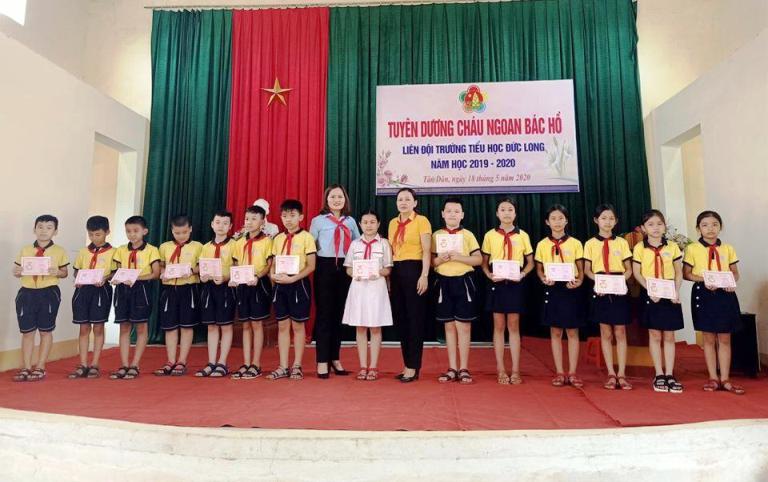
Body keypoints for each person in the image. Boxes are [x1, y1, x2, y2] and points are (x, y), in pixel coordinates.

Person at [683, 210, 744, 395]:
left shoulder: (728, 248)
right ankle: (713, 378)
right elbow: (687, 274)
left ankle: (725, 378)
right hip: (704, 294)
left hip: (725, 294)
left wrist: (731, 282)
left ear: (720, 227)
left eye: (715, 224)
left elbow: (735, 272)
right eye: (705, 225)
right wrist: (704, 280)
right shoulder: (692, 249)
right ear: (698, 228)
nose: (710, 229)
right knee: (708, 338)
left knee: (725, 337)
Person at [481, 198, 533, 385]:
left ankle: (516, 370)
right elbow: (484, 262)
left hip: (515, 283)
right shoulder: (490, 235)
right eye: (502, 209)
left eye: (510, 209)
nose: (506, 213)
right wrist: (489, 275)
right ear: (497, 213)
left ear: (515, 213)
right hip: (497, 282)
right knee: (498, 325)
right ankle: (501, 369)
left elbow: (530, 262)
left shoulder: (523, 235)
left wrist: (522, 274)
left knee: (514, 325)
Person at [309, 184, 359, 378]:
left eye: (340, 197)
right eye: (332, 197)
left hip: (345, 269)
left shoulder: (351, 221)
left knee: (339, 315)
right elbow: (310, 245)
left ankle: (335, 358)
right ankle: (322, 360)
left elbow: (357, 245)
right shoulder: (318, 221)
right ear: (326, 200)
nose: (336, 200)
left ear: (345, 199)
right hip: (325, 267)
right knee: (324, 314)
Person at [11, 214, 69, 382]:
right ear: (34, 229)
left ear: (55, 231)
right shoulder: (25, 250)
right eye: (40, 227)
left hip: (48, 292)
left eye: (49, 228)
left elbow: (65, 273)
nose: (44, 231)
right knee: (27, 332)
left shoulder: (59, 251)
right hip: (27, 292)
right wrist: (17, 272)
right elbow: (16, 271)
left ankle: (41, 366)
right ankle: (26, 367)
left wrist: (57, 272)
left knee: (45, 330)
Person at [632, 209, 684, 393]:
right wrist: (650, 290)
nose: (656, 228)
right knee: (654, 334)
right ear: (643, 228)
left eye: (659, 224)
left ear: (665, 226)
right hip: (650, 292)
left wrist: (676, 291)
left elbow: (678, 272)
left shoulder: (673, 247)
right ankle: (659, 374)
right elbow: (637, 273)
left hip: (669, 293)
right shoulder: (639, 248)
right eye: (651, 224)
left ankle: (669, 373)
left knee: (669, 335)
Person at [583, 204, 634, 390]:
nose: (607, 222)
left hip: (618, 287)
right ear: (596, 220)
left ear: (616, 221)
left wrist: (620, 282)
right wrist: (599, 282)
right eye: (604, 218)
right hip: (601, 288)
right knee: (605, 332)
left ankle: (622, 373)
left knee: (620, 331)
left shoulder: (621, 243)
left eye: (611, 218)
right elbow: (587, 270)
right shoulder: (590, 243)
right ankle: (611, 373)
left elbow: (629, 269)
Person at [432, 198, 482, 384]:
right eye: (449, 211)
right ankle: (452, 367)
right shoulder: (437, 235)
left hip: (463, 282)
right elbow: (431, 262)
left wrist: (460, 257)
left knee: (464, 326)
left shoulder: (468, 235)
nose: (452, 214)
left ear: (462, 215)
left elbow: (478, 260)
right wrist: (441, 259)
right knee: (449, 326)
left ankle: (464, 368)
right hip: (443, 283)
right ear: (442, 214)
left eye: (456, 211)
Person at [535, 205, 585, 388]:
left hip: (570, 289)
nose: (557, 222)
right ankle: (559, 372)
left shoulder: (575, 243)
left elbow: (580, 269)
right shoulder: (542, 244)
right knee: (555, 331)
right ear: (547, 222)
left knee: (572, 331)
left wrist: (579, 281)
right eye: (553, 218)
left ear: (566, 221)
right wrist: (543, 279)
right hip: (552, 288)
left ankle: (572, 372)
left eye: (561, 218)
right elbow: (539, 269)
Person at [267, 199, 317, 380]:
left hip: (298, 284)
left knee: (297, 325)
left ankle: (297, 365)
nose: (288, 219)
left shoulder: (307, 237)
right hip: (280, 285)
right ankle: (282, 366)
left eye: (292, 215)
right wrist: (273, 276)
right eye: (285, 216)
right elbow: (273, 264)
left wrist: (293, 278)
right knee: (282, 325)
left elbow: (311, 265)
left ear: (301, 217)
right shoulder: (277, 238)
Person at [342, 209, 393, 381]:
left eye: (372, 222)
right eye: (365, 222)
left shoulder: (384, 243)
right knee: (361, 327)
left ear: (378, 224)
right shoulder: (354, 244)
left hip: (377, 289)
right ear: (360, 224)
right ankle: (363, 366)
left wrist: (376, 272)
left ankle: (374, 366)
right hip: (359, 289)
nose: (368, 225)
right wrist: (355, 273)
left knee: (376, 327)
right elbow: (348, 268)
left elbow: (388, 269)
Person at [388, 188, 432, 383]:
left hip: (415, 270)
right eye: (400, 199)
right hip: (397, 271)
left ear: (415, 203)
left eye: (407, 199)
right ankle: (407, 364)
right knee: (401, 320)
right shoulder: (392, 223)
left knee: (415, 320)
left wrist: (424, 275)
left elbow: (427, 251)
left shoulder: (422, 221)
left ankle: (414, 366)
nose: (403, 202)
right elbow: (391, 251)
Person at [110, 215, 161, 380]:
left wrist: (137, 277)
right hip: (123, 290)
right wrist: (116, 278)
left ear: (144, 231)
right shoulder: (120, 250)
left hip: (141, 289)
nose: (132, 234)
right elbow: (117, 271)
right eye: (128, 231)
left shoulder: (152, 250)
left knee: (141, 327)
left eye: (135, 231)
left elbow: (156, 273)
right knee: (124, 327)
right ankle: (124, 364)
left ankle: (135, 364)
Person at [155, 215, 202, 377]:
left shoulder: (198, 246)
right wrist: (163, 273)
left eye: (184, 232)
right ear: (172, 231)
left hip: (188, 288)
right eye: (177, 233)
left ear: (190, 229)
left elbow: (202, 267)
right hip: (169, 289)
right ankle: (170, 360)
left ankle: (182, 361)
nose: (181, 236)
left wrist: (190, 270)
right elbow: (161, 266)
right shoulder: (164, 247)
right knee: (170, 326)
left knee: (186, 326)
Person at [230, 204, 273, 379]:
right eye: (247, 218)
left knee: (257, 324)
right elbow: (235, 262)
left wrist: (258, 276)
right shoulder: (239, 242)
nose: (249, 222)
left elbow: (269, 264)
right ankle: (246, 362)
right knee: (245, 324)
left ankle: (256, 363)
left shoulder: (267, 241)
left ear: (262, 222)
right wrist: (234, 276)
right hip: (242, 285)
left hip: (259, 284)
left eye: (254, 219)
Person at [69, 215, 115, 379]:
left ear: (107, 232)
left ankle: (95, 363)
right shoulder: (83, 251)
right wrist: (79, 278)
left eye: (98, 234)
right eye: (91, 234)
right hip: (83, 290)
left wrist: (105, 277)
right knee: (83, 327)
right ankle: (83, 363)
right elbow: (76, 270)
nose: (94, 238)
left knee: (98, 327)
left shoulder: (114, 252)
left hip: (101, 290)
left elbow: (115, 272)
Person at [195, 210, 237, 378]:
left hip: (226, 288)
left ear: (230, 226)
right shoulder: (205, 247)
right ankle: (211, 362)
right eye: (218, 222)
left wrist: (226, 277)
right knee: (211, 326)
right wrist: (203, 276)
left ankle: (222, 363)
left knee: (225, 326)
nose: (221, 226)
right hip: (209, 289)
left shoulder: (234, 245)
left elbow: (237, 267)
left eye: (225, 223)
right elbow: (202, 268)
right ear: (212, 224)